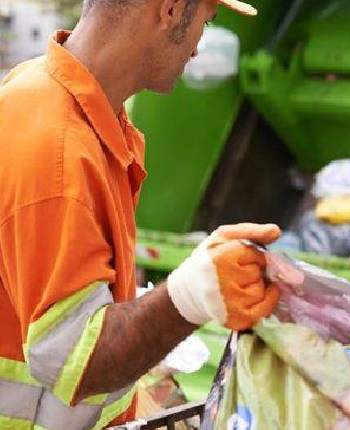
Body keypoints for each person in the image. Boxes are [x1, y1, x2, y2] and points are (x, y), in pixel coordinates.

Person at [0, 1, 278, 428]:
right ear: (170, 9)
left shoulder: (56, 100)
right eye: (205, 23)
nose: (197, 50)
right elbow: (77, 360)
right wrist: (190, 293)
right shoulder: (57, 154)